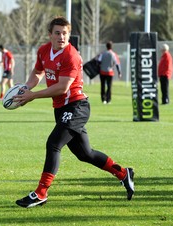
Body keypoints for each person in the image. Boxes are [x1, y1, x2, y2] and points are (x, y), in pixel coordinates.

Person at [13, 16, 134, 208]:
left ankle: (41, 192)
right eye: (58, 33)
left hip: (77, 106)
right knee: (85, 154)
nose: (61, 37)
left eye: (65, 33)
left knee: (53, 144)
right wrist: (26, 88)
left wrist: (33, 96)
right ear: (50, 35)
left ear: (69, 35)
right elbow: (37, 73)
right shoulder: (43, 51)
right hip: (61, 108)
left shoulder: (72, 55)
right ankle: (123, 173)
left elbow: (62, 88)